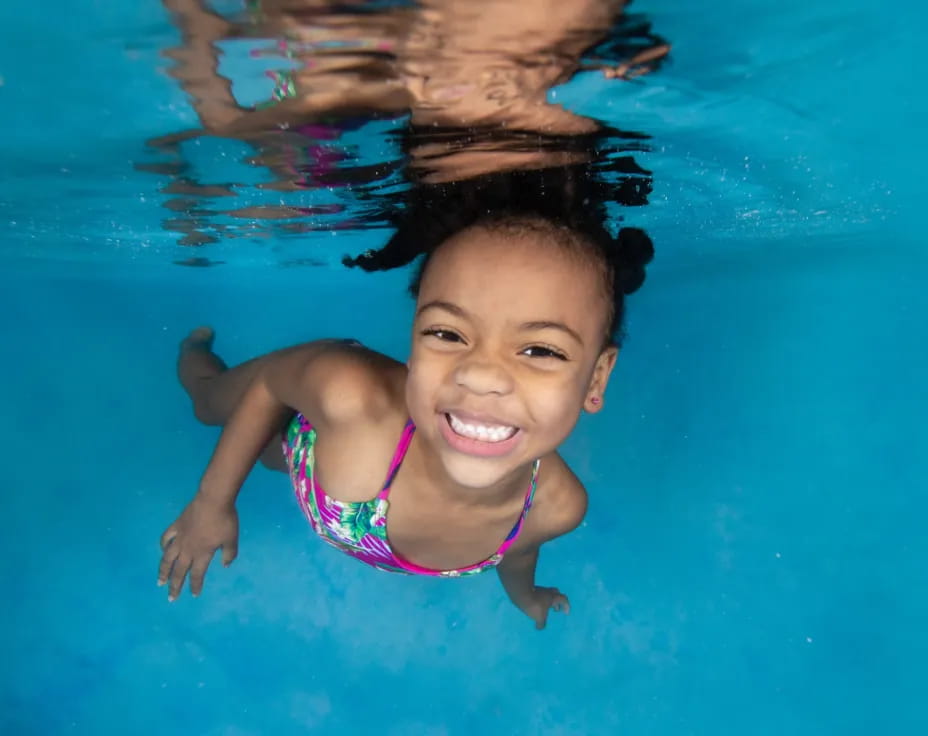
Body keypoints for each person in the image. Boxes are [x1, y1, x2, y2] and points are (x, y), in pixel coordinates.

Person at [158, 164, 654, 629]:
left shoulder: (558, 508)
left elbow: (518, 552)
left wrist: (524, 595)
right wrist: (211, 503)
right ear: (413, 340)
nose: (480, 376)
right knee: (209, 407)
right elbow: (269, 389)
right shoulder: (349, 396)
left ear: (596, 379)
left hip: (318, 463)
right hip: (314, 406)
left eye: (540, 349)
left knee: (270, 455)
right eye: (447, 333)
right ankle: (193, 352)